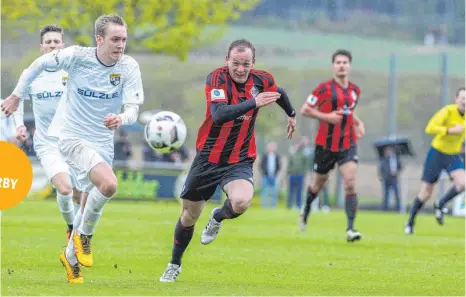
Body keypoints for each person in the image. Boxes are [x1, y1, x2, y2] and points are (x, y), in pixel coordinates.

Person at [1, 14, 145, 283]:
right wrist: (17, 94)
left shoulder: (128, 66)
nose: (120, 45)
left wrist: (121, 118)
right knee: (109, 185)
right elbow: (37, 66)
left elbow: (133, 109)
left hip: (102, 140)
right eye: (115, 39)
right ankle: (84, 237)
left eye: (124, 39)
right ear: (99, 39)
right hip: (71, 136)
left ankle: (70, 253)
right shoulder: (78, 57)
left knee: (90, 197)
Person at [159, 39, 297, 282]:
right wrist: (254, 102)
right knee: (189, 216)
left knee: (242, 202)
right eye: (236, 63)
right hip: (208, 159)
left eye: (246, 64)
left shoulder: (261, 80)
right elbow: (219, 114)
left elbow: (279, 93)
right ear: (227, 61)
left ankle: (217, 217)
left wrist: (291, 114)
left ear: (253, 63)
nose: (240, 69)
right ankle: (174, 263)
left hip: (239, 159)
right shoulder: (217, 79)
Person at [11, 24, 85, 241]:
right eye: (49, 42)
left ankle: (83, 232)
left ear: (62, 45)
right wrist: (19, 125)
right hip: (46, 143)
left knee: (81, 195)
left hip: (73, 140)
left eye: (57, 41)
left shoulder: (72, 71)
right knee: (64, 188)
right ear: (41, 46)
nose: (53, 45)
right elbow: (18, 100)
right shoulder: (31, 73)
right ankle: (72, 228)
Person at [298, 49, 366, 242]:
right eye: (338, 62)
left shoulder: (355, 91)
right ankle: (306, 210)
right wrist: (325, 117)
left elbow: (348, 112)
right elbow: (305, 110)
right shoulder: (324, 88)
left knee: (350, 183)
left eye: (345, 62)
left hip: (347, 143)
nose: (341, 65)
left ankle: (350, 229)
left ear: (350, 66)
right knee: (318, 184)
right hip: (325, 146)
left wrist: (357, 122)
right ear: (333, 66)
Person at [405, 87, 465, 234]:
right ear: (456, 99)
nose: (465, 101)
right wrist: (449, 130)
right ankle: (410, 221)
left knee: (463, 183)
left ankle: (441, 204)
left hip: (453, 155)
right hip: (437, 153)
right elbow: (430, 128)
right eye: (462, 98)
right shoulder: (448, 111)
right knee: (426, 193)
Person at [287, 136, 311, 209]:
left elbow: (306, 166)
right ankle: (289, 205)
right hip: (292, 175)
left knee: (299, 191)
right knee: (291, 191)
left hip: (300, 175)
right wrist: (288, 174)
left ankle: (298, 205)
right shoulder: (292, 154)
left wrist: (305, 175)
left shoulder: (304, 154)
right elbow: (289, 165)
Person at [379, 146, 403, 211]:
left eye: (389, 151)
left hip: (394, 179)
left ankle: (398, 208)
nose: (388, 152)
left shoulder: (396, 159)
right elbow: (381, 169)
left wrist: (396, 171)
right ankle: (385, 208)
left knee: (396, 193)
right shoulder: (383, 160)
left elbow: (400, 167)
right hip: (386, 179)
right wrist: (382, 177)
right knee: (386, 194)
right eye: (387, 151)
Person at [260, 141, 281, 208]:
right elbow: (261, 165)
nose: (272, 148)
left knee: (274, 192)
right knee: (265, 192)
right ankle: (264, 206)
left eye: (273, 147)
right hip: (265, 176)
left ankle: (273, 206)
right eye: (270, 146)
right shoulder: (264, 156)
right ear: (268, 148)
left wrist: (276, 173)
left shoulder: (277, 156)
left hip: (274, 177)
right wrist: (264, 173)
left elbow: (279, 166)